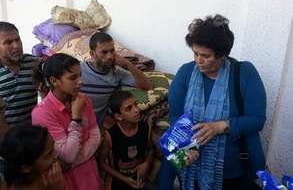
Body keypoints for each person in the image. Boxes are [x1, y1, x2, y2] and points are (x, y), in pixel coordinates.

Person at [160, 14, 266, 190]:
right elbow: (175, 118)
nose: (198, 60)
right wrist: (183, 150)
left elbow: (257, 120)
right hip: (192, 169)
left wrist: (220, 126)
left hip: (235, 172)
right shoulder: (186, 73)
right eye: (195, 53)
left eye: (205, 55)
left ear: (222, 54)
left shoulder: (244, 73)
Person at [32, 53, 101, 190]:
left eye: (80, 75)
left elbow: (95, 137)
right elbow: (68, 154)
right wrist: (76, 118)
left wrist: (75, 162)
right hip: (67, 180)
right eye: (73, 77)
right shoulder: (42, 113)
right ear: (54, 81)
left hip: (88, 172)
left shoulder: (83, 100)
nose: (80, 81)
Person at [80, 32, 153, 128]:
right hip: (72, 122)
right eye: (104, 52)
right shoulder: (79, 69)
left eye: (112, 51)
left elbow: (148, 86)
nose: (110, 56)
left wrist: (127, 64)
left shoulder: (117, 72)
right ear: (92, 54)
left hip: (95, 127)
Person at [98, 91, 154, 190]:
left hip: (140, 180)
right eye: (129, 108)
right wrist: (125, 179)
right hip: (119, 182)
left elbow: (151, 149)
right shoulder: (110, 135)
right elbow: (102, 163)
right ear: (119, 116)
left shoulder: (145, 127)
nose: (136, 110)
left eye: (135, 105)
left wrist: (147, 164)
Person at [0, 125, 64, 190]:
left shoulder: (47, 176)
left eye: (53, 148)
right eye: (49, 154)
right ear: (25, 168)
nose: (56, 155)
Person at [0, 22, 38, 126]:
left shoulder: (33, 63)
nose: (16, 46)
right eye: (8, 42)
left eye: (17, 40)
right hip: (7, 137)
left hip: (33, 132)